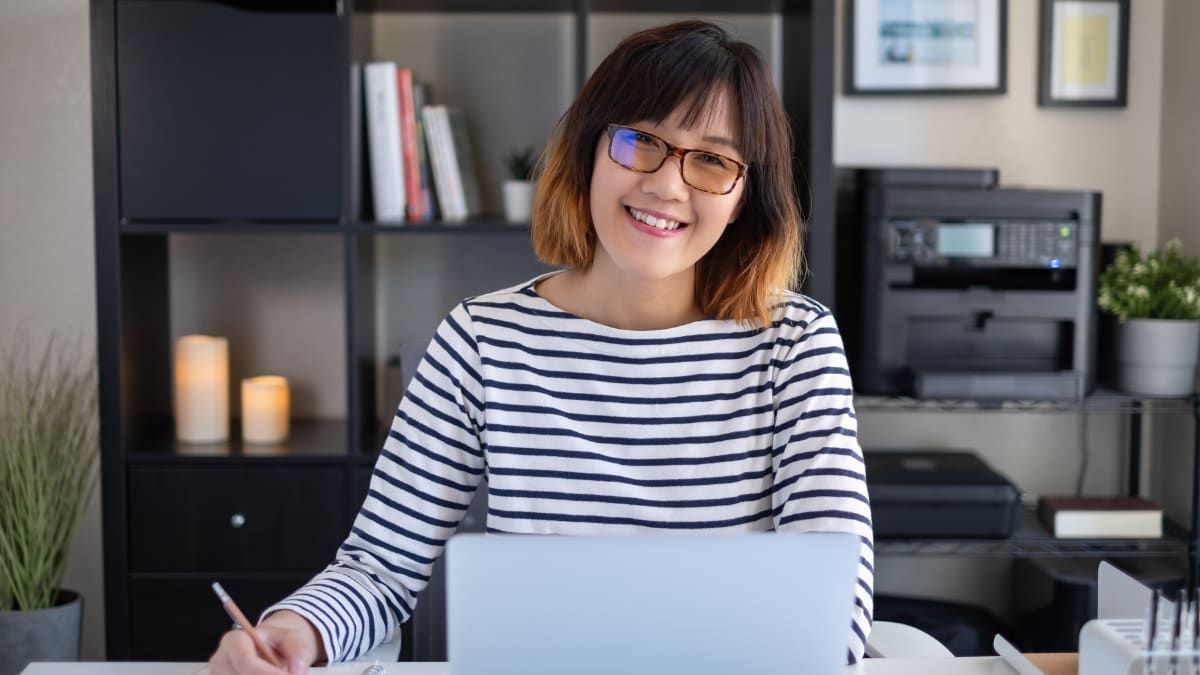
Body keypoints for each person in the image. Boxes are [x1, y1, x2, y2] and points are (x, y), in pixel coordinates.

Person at [209, 19, 873, 674]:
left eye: (712, 159)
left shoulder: (795, 345)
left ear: (742, 196)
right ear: (589, 152)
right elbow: (378, 568)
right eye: (640, 140)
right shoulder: (481, 339)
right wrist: (291, 631)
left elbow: (833, 611)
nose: (667, 185)